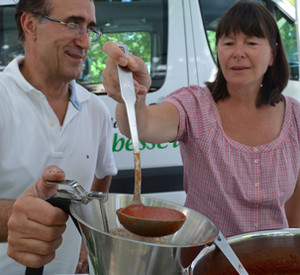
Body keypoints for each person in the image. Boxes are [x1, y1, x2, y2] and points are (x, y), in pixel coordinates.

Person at [102, 0, 300, 237]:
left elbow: (296, 211)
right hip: (206, 261)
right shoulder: (194, 105)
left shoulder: (296, 117)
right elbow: (144, 125)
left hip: (274, 262)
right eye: (228, 43)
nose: (238, 52)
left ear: (272, 54)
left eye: (251, 42)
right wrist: (131, 97)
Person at [0, 0, 117, 274]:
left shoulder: (95, 110)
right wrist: (13, 217)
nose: (85, 42)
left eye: (89, 29)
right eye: (73, 24)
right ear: (31, 25)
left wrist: (88, 239)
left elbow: (102, 175)